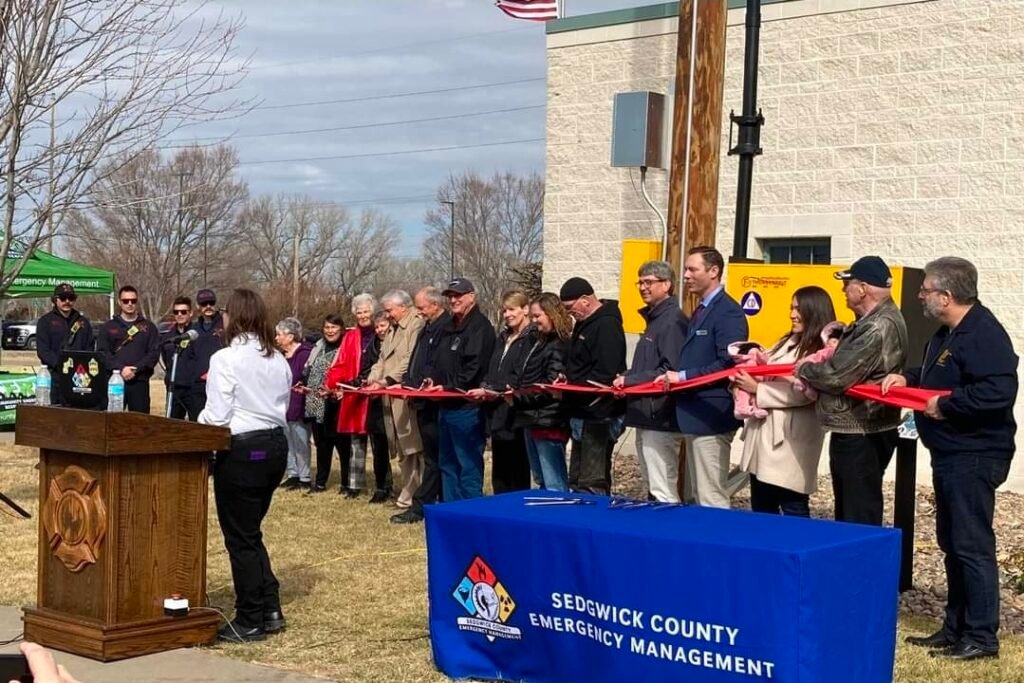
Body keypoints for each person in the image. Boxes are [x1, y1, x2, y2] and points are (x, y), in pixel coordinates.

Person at [884, 257, 1017, 662]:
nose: (920, 295)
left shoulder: (984, 334)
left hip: (975, 454)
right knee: (953, 542)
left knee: (972, 545)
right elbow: (937, 374)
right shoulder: (948, 332)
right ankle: (955, 627)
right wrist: (908, 377)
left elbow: (998, 392)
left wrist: (947, 405)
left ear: (946, 296)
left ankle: (981, 636)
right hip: (951, 452)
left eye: (925, 290)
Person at [199, 288, 291, 643]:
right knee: (249, 531)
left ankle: (250, 616)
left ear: (233, 316)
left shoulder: (226, 359)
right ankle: (269, 607)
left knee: (240, 536)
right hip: (275, 447)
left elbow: (217, 415)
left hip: (244, 449)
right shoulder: (277, 359)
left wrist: (195, 424)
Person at [796, 255, 908, 525]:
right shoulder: (871, 320)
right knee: (851, 508)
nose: (843, 290)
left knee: (857, 512)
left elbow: (836, 376)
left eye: (847, 284)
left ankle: (862, 553)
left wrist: (804, 368)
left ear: (863, 288)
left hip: (863, 431)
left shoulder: (876, 327)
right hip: (860, 426)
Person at [656, 246, 748, 508]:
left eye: (692, 269)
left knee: (711, 495)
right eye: (686, 269)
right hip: (695, 415)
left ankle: (719, 535)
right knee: (701, 493)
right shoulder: (702, 309)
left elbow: (728, 362)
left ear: (713, 271)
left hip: (712, 416)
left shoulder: (727, 312)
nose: (685, 275)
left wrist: (683, 376)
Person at [732, 287, 836, 516]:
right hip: (764, 438)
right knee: (762, 507)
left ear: (814, 311)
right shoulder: (786, 342)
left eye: (798, 309)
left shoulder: (823, 351)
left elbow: (806, 392)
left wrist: (757, 389)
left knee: (793, 506)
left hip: (791, 442)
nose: (792, 314)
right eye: (791, 308)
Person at [612, 261, 688, 503]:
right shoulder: (654, 321)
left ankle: (669, 525)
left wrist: (629, 380)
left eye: (649, 282)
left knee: (663, 488)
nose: (643, 287)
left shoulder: (672, 321)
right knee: (653, 485)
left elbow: (670, 370)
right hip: (645, 414)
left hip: (661, 416)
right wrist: (626, 379)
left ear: (666, 285)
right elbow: (648, 367)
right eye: (640, 282)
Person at [428, 278, 496, 502]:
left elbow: (474, 367)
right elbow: (438, 361)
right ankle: (451, 509)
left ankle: (470, 510)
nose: (453, 300)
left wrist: (448, 386)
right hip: (445, 406)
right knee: (447, 463)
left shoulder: (480, 327)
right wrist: (432, 381)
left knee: (468, 464)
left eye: (458, 295)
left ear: (471, 297)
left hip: (467, 408)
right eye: (450, 296)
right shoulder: (448, 326)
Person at [559, 277, 626, 496]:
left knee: (592, 480)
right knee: (577, 479)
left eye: (571, 308)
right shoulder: (583, 323)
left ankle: (595, 514)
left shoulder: (607, 325)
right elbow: (579, 364)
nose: (570, 314)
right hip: (581, 411)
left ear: (585, 300)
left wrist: (576, 387)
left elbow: (605, 372)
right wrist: (566, 379)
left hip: (599, 414)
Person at [390, 287, 448, 524]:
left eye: (421, 307)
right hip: (420, 399)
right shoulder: (427, 328)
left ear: (435, 305)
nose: (419, 312)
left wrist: (426, 382)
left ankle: (422, 504)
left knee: (434, 458)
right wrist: (408, 383)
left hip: (435, 402)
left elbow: (436, 363)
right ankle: (429, 501)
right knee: (432, 457)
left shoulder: (444, 328)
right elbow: (418, 359)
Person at [468, 290, 533, 494]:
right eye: (504, 311)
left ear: (525, 309)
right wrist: (486, 386)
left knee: (517, 469)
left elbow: (520, 375)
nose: (507, 315)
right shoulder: (503, 337)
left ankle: (516, 509)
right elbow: (492, 368)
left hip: (516, 412)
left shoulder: (531, 339)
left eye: (512, 309)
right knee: (500, 472)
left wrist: (495, 389)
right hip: (496, 412)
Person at [365, 290, 426, 510]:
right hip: (389, 397)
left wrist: (387, 380)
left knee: (414, 446)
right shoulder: (392, 328)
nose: (388, 315)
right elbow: (381, 359)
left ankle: (417, 492)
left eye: (390, 310)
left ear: (403, 307)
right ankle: (409, 489)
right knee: (401, 448)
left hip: (404, 394)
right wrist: (373, 379)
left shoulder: (416, 325)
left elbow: (409, 359)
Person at [513, 292, 571, 491]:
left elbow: (549, 385)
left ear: (552, 314)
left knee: (553, 480)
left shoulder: (560, 344)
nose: (534, 321)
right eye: (532, 316)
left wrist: (519, 398)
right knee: (540, 477)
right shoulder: (538, 342)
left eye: (538, 316)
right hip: (532, 417)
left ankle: (558, 509)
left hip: (549, 420)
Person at [325, 294, 377, 498]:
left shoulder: (381, 331)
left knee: (380, 442)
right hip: (354, 391)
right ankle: (355, 484)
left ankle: (384, 485)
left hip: (376, 389)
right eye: (359, 312)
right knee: (356, 440)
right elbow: (341, 362)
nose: (363, 315)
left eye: (366, 311)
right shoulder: (351, 336)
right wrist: (334, 383)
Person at [96, 285, 161, 413]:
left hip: (139, 382)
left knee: (139, 421)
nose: (130, 304)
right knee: (113, 420)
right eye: (126, 301)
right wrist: (121, 369)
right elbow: (102, 353)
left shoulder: (149, 327)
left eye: (133, 300)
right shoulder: (108, 327)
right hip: (115, 382)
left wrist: (136, 369)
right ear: (119, 302)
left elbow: (153, 353)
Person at [302, 314, 344, 493]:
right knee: (322, 445)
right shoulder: (319, 346)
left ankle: (347, 483)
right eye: (327, 327)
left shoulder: (345, 347)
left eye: (334, 327)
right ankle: (320, 481)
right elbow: (309, 369)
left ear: (341, 329)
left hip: (335, 402)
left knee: (341, 445)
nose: (330, 331)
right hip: (315, 402)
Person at [35, 283, 94, 405]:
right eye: (63, 298)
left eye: (71, 298)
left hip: (79, 377)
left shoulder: (83, 322)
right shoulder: (45, 322)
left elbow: (90, 348)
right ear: (55, 300)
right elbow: (43, 351)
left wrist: (79, 366)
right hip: (55, 377)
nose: (67, 301)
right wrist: (61, 365)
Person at [275, 317, 313, 491]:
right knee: (287, 442)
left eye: (279, 335)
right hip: (283, 406)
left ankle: (304, 477)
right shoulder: (280, 356)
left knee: (301, 441)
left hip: (299, 405)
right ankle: (293, 474)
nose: (276, 338)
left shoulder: (305, 354)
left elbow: (303, 378)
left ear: (290, 336)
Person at [361, 309, 395, 503]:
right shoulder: (372, 346)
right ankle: (382, 485)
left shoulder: (398, 342)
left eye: (383, 325)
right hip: (375, 401)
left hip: (394, 398)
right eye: (377, 327)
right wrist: (364, 381)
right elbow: (366, 368)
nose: (380, 330)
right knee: (378, 446)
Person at [161, 295, 203, 420]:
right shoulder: (168, 337)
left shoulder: (197, 334)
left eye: (183, 312)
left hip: (194, 389)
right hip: (174, 389)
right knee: (173, 426)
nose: (179, 315)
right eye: (176, 312)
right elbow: (166, 359)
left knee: (197, 424)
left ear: (190, 313)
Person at [187, 288, 226, 416]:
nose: (208, 306)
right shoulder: (194, 328)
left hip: (220, 384)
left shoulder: (225, 324)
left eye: (211, 303)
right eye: (204, 304)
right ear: (198, 306)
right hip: (198, 385)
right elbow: (189, 356)